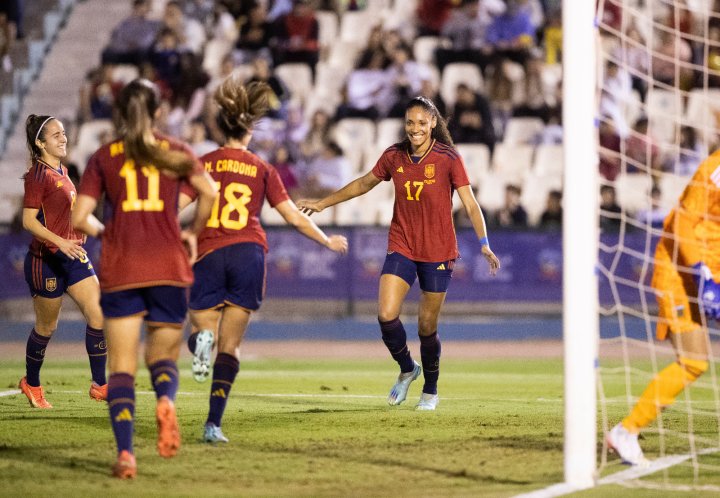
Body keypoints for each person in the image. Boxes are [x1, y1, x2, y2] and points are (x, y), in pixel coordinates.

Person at [298, 96, 500, 410]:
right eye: (410, 123)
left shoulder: (448, 158)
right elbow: (364, 184)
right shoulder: (395, 155)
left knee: (425, 327)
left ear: (433, 123)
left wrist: (484, 242)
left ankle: (430, 391)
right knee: (386, 315)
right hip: (402, 244)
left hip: (437, 251)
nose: (415, 129)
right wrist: (323, 203)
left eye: (421, 123)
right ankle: (408, 368)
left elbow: (471, 204)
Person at [180, 77, 348, 444]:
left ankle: (200, 342)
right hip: (248, 252)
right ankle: (213, 425)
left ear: (220, 126)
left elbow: (175, 206)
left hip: (208, 251)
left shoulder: (203, 163)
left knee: (201, 328)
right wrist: (326, 240)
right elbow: (291, 215)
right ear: (248, 131)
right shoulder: (262, 168)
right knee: (232, 347)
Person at [71, 78, 217, 479]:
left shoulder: (104, 157)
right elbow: (210, 191)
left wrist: (107, 232)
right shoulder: (177, 151)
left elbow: (78, 217)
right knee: (162, 357)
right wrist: (192, 232)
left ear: (119, 113)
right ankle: (165, 401)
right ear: (158, 112)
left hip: (122, 267)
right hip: (170, 266)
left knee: (121, 366)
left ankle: (125, 455)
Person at [607, 149, 720, 465]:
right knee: (694, 362)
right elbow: (684, 222)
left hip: (711, 273)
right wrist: (702, 275)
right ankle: (625, 431)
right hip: (681, 273)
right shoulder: (716, 169)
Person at [18, 115, 107, 409]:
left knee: (99, 314)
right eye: (55, 135)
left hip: (74, 255)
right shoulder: (37, 176)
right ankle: (31, 383)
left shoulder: (64, 172)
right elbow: (28, 221)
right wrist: (60, 242)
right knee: (47, 328)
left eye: (64, 133)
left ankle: (100, 385)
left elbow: (75, 213)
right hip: (46, 260)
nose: (63, 138)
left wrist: (105, 233)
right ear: (40, 143)